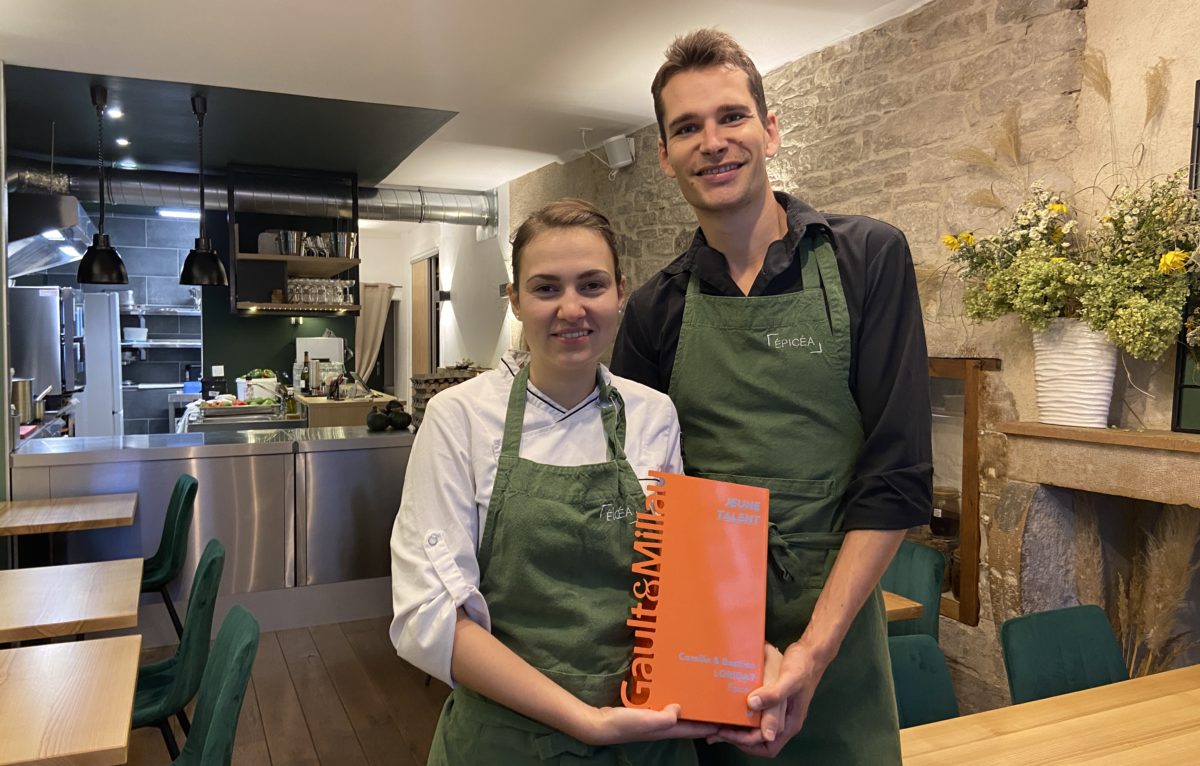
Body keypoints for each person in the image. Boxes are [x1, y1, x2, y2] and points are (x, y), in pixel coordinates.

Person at [611, 29, 933, 764]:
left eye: (731, 117)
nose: (712, 142)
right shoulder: (656, 311)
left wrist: (811, 655)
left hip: (839, 642)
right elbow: (644, 495)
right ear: (664, 156)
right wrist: (729, 657)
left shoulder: (867, 260)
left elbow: (896, 472)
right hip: (709, 659)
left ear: (770, 128)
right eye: (686, 128)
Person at [390, 198, 716, 765]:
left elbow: (677, 584)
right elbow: (429, 615)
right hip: (504, 739)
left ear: (620, 292)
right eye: (546, 288)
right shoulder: (459, 418)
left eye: (592, 285)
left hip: (643, 736)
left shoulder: (654, 414)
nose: (572, 309)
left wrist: (733, 654)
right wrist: (585, 721)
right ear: (515, 300)